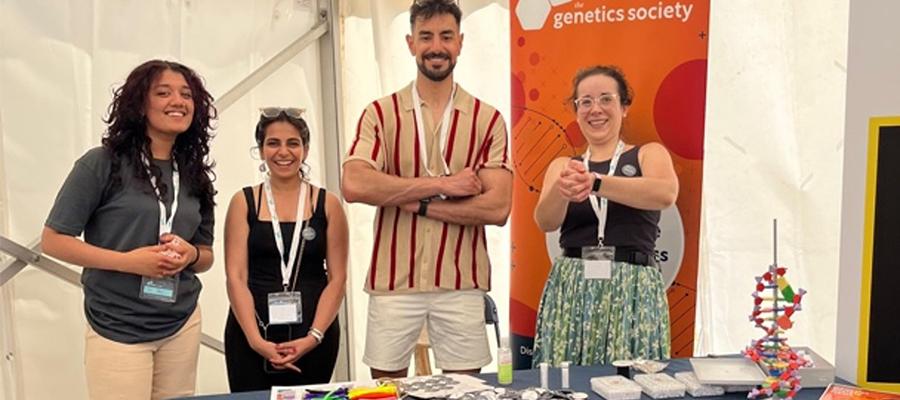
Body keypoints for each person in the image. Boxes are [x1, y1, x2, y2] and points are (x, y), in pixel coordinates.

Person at [341, 0, 512, 379]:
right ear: (410, 43)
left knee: (466, 389)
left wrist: (414, 202)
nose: (437, 46)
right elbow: (354, 184)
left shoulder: (488, 119)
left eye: (446, 36)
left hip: (461, 282)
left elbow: (497, 209)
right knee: (387, 389)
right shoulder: (380, 113)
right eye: (426, 36)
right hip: (393, 282)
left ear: (461, 42)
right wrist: (444, 186)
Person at [41, 60, 216, 400]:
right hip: (117, 325)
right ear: (139, 103)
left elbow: (206, 256)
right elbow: (54, 240)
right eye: (163, 93)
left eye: (186, 94)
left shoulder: (195, 175)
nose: (177, 101)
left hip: (180, 322)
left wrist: (190, 254)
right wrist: (130, 263)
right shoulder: (102, 163)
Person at [532, 65, 679, 366]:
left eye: (606, 99)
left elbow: (664, 194)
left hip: (633, 287)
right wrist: (562, 190)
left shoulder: (648, 154)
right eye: (585, 101)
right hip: (573, 284)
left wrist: (597, 183)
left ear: (624, 107)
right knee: (569, 379)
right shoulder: (563, 165)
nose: (595, 109)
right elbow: (545, 221)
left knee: (631, 381)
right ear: (576, 111)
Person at [224, 108, 348, 391]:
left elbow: (338, 278)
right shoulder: (244, 202)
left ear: (305, 149)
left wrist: (313, 337)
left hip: (314, 336)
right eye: (273, 143)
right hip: (252, 335)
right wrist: (256, 342)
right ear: (261, 149)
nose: (283, 152)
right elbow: (236, 277)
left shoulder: (327, 204)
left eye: (293, 143)